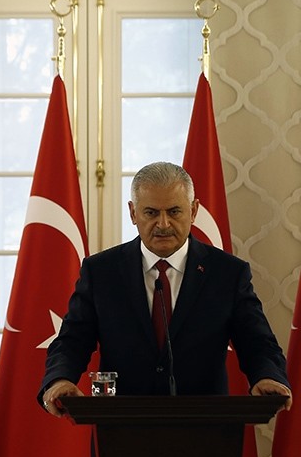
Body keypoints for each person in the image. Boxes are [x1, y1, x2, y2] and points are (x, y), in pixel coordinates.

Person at [40, 161, 292, 415]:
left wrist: (267, 376)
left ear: (193, 211)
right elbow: (72, 340)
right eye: (151, 213)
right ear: (133, 213)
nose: (163, 224)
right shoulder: (101, 271)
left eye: (174, 212)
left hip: (207, 428)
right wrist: (60, 378)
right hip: (121, 427)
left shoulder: (227, 273)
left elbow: (257, 341)